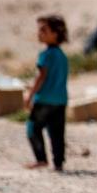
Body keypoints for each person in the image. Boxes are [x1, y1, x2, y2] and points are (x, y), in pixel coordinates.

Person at [25, 14, 69, 172]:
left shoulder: (46, 55)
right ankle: (58, 163)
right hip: (61, 100)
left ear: (55, 34)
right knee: (57, 132)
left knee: (33, 128)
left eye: (44, 30)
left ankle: (41, 159)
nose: (39, 33)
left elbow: (41, 76)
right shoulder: (63, 56)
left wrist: (30, 95)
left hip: (44, 100)